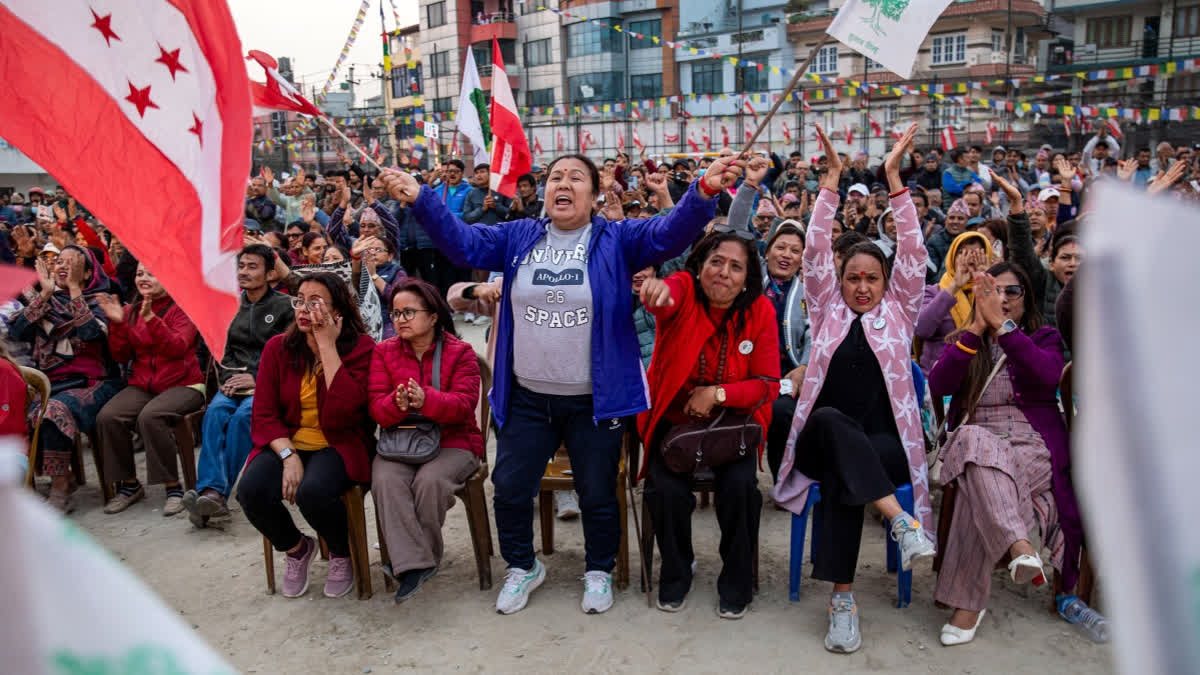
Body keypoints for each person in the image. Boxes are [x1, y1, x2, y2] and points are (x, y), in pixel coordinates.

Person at [378, 152, 744, 615]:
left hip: (595, 401)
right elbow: (464, 244)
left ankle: (599, 569)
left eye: (575, 177)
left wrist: (703, 191)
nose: (563, 184)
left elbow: (669, 232)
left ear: (595, 194)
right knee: (511, 487)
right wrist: (422, 199)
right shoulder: (517, 236)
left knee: (597, 492)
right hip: (528, 397)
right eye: (555, 177)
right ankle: (522, 566)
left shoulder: (617, 239)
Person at [771, 123, 936, 654]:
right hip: (820, 440)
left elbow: (913, 250)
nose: (862, 287)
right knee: (829, 422)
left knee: (847, 471)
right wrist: (831, 181)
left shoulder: (900, 313)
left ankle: (842, 604)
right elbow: (816, 248)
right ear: (838, 282)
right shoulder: (826, 310)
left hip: (884, 446)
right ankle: (900, 522)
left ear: (887, 283)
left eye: (872, 278)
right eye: (853, 278)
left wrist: (895, 179)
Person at [928, 262, 1083, 646]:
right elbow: (939, 385)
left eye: (1011, 291)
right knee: (974, 444)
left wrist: (1004, 329)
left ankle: (968, 605)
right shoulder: (965, 340)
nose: (1002, 297)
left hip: (1033, 444)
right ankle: (1018, 545)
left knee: (977, 483)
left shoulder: (1043, 337)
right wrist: (977, 330)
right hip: (976, 438)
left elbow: (1049, 376)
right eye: (992, 290)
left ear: (1026, 298)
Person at [636, 223, 781, 619]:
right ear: (700, 265)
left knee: (741, 489)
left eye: (736, 267)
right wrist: (658, 292)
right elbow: (667, 297)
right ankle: (677, 569)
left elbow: (768, 385)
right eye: (716, 261)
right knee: (665, 490)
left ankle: (736, 579)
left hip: (731, 426)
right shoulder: (684, 291)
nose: (724, 273)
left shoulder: (760, 311)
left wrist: (718, 394)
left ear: (747, 278)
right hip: (675, 425)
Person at [237, 272, 376, 599]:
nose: (303, 309)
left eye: (315, 302)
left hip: (341, 442)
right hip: (287, 441)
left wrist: (327, 345)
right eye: (300, 300)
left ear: (337, 310)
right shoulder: (278, 348)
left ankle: (341, 552)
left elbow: (347, 413)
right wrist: (289, 456)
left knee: (312, 492)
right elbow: (264, 414)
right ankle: (296, 548)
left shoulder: (362, 348)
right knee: (250, 491)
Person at [369, 279, 484, 602]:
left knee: (429, 482)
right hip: (401, 439)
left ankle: (414, 561)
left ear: (433, 316)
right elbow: (376, 408)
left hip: (454, 439)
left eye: (409, 312)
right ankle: (418, 564)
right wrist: (396, 404)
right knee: (386, 479)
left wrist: (427, 400)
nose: (400, 320)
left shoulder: (460, 352)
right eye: (395, 313)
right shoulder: (383, 351)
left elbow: (464, 406)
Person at [182, 245, 293, 528]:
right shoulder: (230, 306)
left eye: (252, 267)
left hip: (270, 383)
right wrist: (231, 378)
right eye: (241, 266)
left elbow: (288, 353)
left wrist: (256, 377)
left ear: (270, 273)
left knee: (244, 417)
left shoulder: (284, 306)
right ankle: (211, 491)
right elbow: (224, 351)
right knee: (216, 412)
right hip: (235, 382)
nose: (244, 272)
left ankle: (214, 494)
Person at [10, 246, 122, 512]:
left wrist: (74, 291)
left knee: (52, 411)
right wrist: (45, 293)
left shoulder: (101, 300)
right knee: (21, 412)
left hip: (94, 382)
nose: (62, 267)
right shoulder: (45, 299)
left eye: (71, 263)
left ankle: (59, 485)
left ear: (87, 273)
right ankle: (63, 476)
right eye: (59, 262)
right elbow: (18, 331)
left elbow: (90, 334)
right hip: (53, 385)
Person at [95, 264, 205, 515]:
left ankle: (173, 488)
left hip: (184, 383)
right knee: (108, 417)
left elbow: (177, 348)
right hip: (144, 384)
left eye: (151, 274)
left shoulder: (183, 309)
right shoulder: (130, 311)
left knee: (151, 416)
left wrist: (152, 321)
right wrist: (118, 325)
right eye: (139, 274)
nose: (143, 278)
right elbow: (121, 355)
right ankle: (129, 485)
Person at [995, 174, 1080, 329]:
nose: (1073, 263)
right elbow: (1022, 253)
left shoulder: (1099, 286)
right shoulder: (1043, 281)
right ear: (1052, 264)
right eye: (1065, 257)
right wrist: (1016, 203)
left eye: (1079, 258)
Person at [761, 223, 810, 482]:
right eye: (780, 247)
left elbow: (814, 333)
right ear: (767, 251)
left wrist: (804, 366)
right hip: (750, 371)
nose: (786, 255)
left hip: (787, 374)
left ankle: (783, 481)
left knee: (782, 412)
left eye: (795, 250)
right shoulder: (748, 280)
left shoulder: (806, 292)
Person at [914, 232, 995, 374]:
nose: (969, 260)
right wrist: (954, 286)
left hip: (979, 375)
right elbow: (922, 330)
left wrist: (985, 287)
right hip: (937, 373)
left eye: (976, 254)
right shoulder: (933, 292)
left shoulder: (995, 291)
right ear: (952, 257)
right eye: (963, 253)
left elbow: (998, 327)